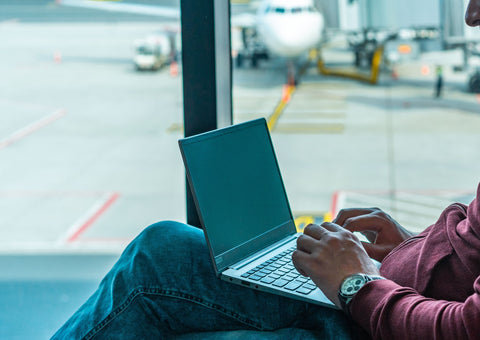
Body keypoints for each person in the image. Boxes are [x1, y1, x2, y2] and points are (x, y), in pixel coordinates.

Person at [53, 1, 480, 339]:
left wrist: (354, 284)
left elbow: (465, 329)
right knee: (159, 249)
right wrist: (418, 247)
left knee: (152, 274)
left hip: (376, 315)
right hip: (392, 292)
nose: (470, 15)